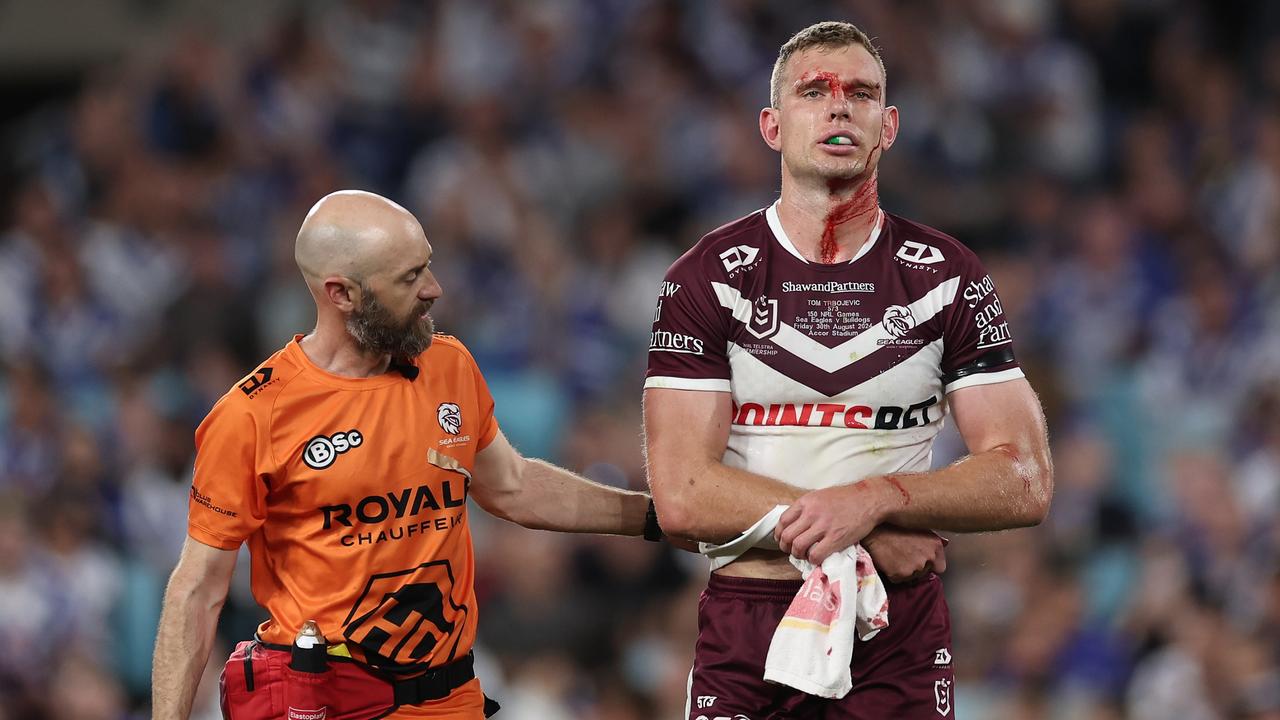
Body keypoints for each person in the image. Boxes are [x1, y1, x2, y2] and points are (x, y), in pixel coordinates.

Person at [643, 21, 1053, 719]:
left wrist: (875, 496)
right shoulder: (707, 277)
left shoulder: (946, 276)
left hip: (896, 629)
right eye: (815, 92)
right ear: (772, 126)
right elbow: (682, 496)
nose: (839, 106)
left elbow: (1025, 479)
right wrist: (863, 520)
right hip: (753, 621)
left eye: (861, 94)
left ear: (888, 126)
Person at [152, 190, 658, 720]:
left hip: (451, 698)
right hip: (325, 700)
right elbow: (198, 589)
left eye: (428, 267)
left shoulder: (449, 366)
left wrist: (658, 518)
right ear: (341, 293)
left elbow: (513, 485)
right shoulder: (253, 414)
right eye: (409, 278)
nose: (434, 289)